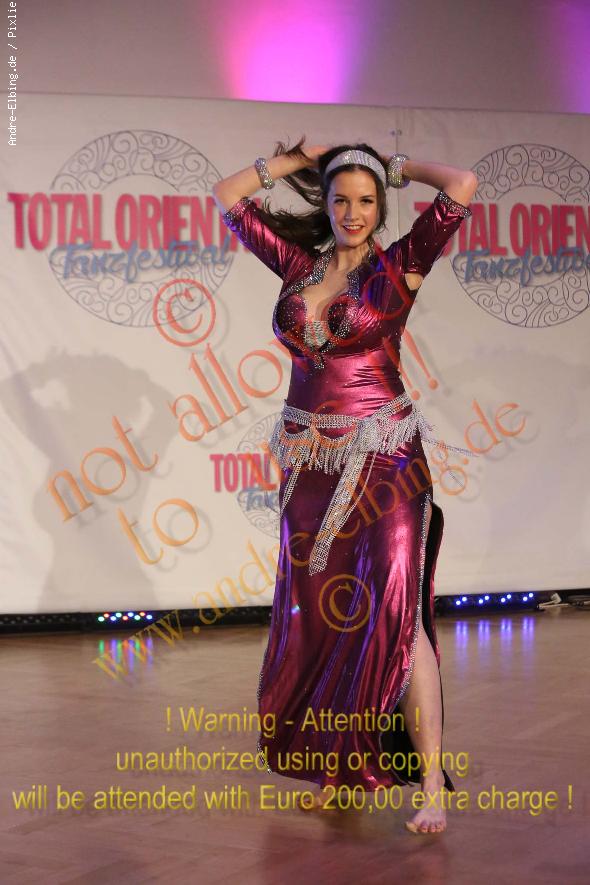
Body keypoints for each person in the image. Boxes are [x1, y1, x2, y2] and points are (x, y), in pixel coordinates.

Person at [213, 138, 477, 834]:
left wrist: (399, 167)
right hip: (309, 468)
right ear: (327, 204)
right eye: (340, 199)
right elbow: (229, 197)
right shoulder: (298, 265)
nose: (353, 212)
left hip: (387, 463)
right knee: (327, 621)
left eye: (365, 200)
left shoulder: (401, 265)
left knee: (398, 614)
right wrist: (294, 161)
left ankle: (430, 783)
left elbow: (463, 183)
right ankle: (342, 771)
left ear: (380, 207)